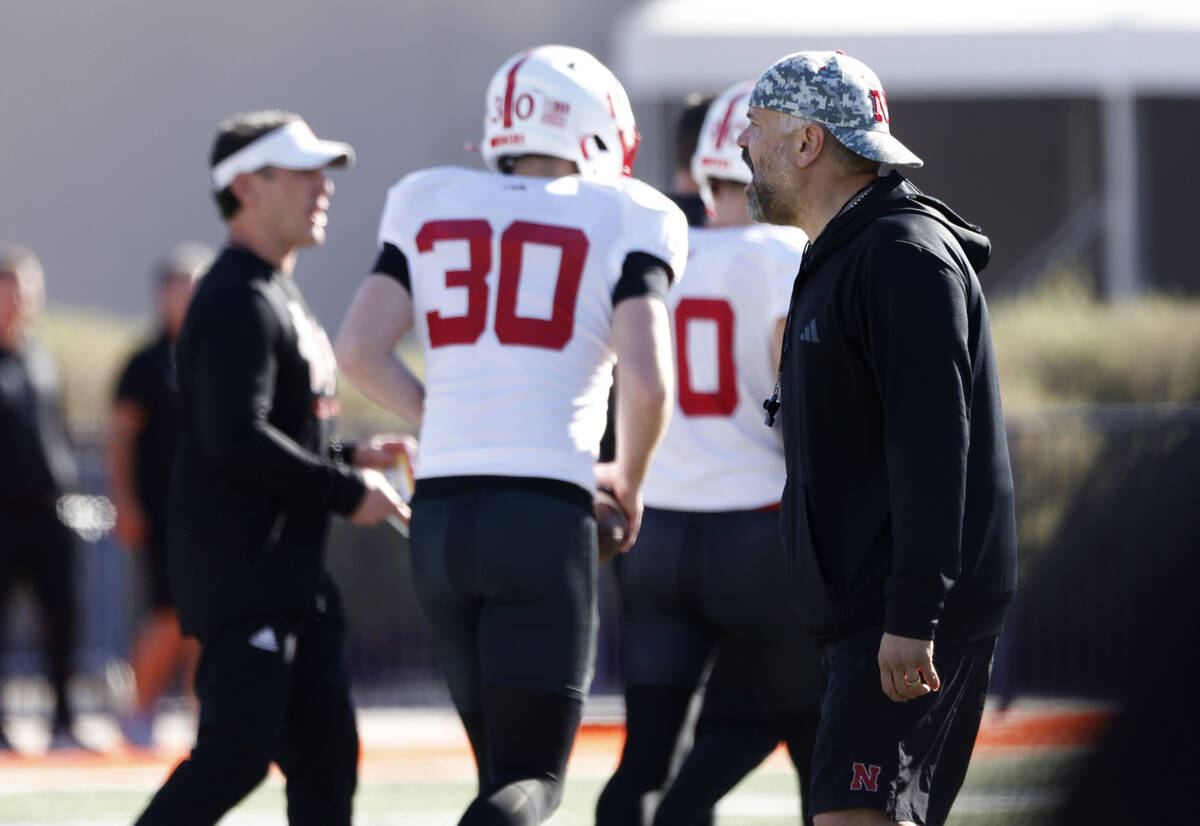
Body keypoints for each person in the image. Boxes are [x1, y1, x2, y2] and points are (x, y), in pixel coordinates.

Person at [335, 45, 687, 826]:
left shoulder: (428, 197)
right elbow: (651, 379)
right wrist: (628, 477)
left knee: (499, 775)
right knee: (531, 783)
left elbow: (357, 349)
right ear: (599, 131)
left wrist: (454, 417)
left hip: (440, 520)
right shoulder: (631, 211)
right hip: (541, 513)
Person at [738, 51, 1018, 826]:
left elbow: (935, 445)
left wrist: (913, 614)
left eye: (756, 128)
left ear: (807, 143)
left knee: (855, 817)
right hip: (869, 613)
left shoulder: (898, 254)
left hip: (899, 618)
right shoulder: (845, 252)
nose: (743, 148)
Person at [131, 110, 408, 826]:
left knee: (326, 765)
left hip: (290, 580)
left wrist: (354, 455)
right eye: (303, 172)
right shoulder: (233, 297)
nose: (324, 188)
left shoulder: (274, 291)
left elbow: (274, 433)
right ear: (247, 186)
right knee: (235, 754)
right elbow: (234, 441)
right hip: (246, 579)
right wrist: (347, 490)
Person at [595, 81, 819, 826]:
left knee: (644, 763)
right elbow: (804, 408)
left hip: (656, 534)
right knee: (815, 745)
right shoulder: (786, 252)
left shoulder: (656, 253)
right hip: (758, 532)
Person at [107, 243, 211, 747]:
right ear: (162, 295)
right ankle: (138, 711)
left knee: (208, 617)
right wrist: (124, 501)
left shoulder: (219, 356)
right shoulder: (145, 364)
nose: (191, 297)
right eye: (182, 287)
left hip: (210, 512)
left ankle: (202, 712)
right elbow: (121, 437)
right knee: (169, 613)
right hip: (163, 512)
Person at [0, 243, 85, 752]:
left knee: (63, 614)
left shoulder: (40, 357)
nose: (20, 300)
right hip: (2, 514)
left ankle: (64, 720)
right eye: (11, 290)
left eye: (28, 290)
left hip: (49, 511)